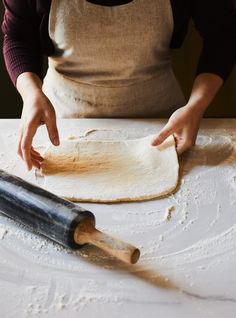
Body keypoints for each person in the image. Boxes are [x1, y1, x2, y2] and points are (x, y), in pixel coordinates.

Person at [2, 0, 236, 171]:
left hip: (164, 128)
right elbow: (18, 37)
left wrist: (196, 105)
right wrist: (31, 93)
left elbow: (224, 35)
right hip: (63, 125)